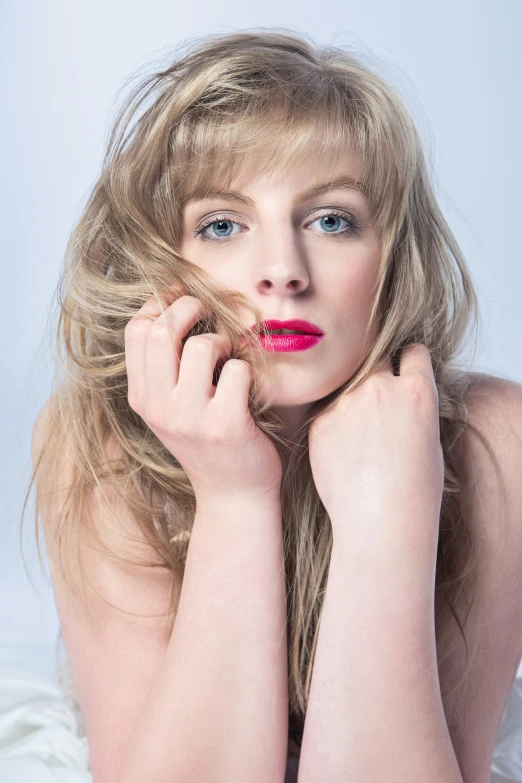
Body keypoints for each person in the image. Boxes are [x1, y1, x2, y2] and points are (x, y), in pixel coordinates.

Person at [26, 28, 522, 783]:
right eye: (222, 225)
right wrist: (232, 493)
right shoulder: (94, 441)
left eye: (331, 220)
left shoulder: (495, 439)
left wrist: (386, 522)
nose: (282, 273)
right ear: (166, 260)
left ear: (392, 255)